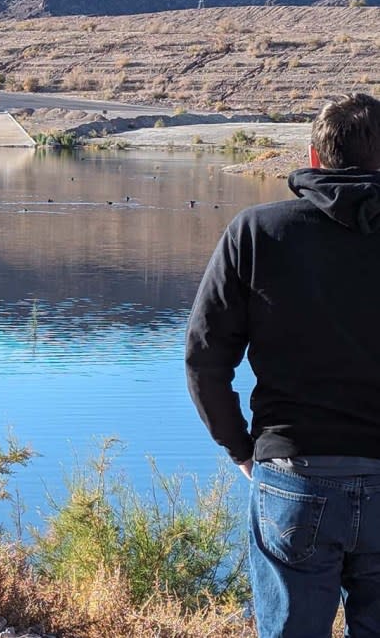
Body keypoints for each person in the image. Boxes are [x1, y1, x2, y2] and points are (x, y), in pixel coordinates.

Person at [185, 92, 380, 637]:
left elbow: (204, 358)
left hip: (295, 477)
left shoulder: (257, 232)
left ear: (314, 157)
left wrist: (241, 449)